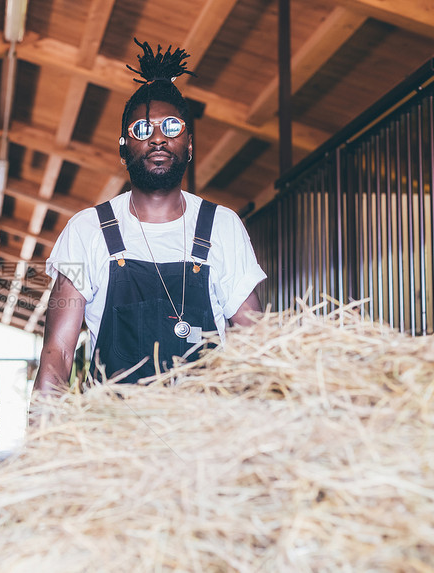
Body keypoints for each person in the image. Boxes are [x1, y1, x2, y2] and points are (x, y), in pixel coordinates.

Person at [35, 41, 266, 392]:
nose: (157, 138)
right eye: (141, 130)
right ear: (123, 148)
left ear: (189, 144)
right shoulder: (85, 230)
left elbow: (255, 341)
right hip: (115, 433)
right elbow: (58, 352)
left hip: (205, 433)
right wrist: (43, 437)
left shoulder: (222, 225)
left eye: (171, 127)